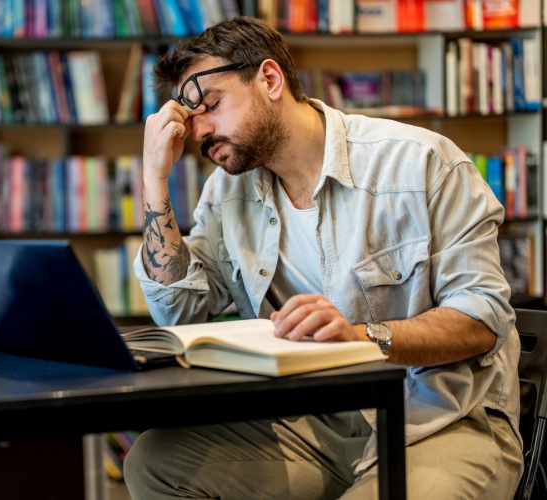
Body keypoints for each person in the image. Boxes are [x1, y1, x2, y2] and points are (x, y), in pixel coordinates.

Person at [124, 15, 523, 499]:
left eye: (209, 105)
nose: (199, 131)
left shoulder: (420, 163)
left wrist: (359, 338)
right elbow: (180, 313)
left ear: (269, 79)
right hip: (314, 425)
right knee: (155, 463)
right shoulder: (226, 195)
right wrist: (153, 180)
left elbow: (481, 319)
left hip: (444, 420)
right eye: (189, 119)